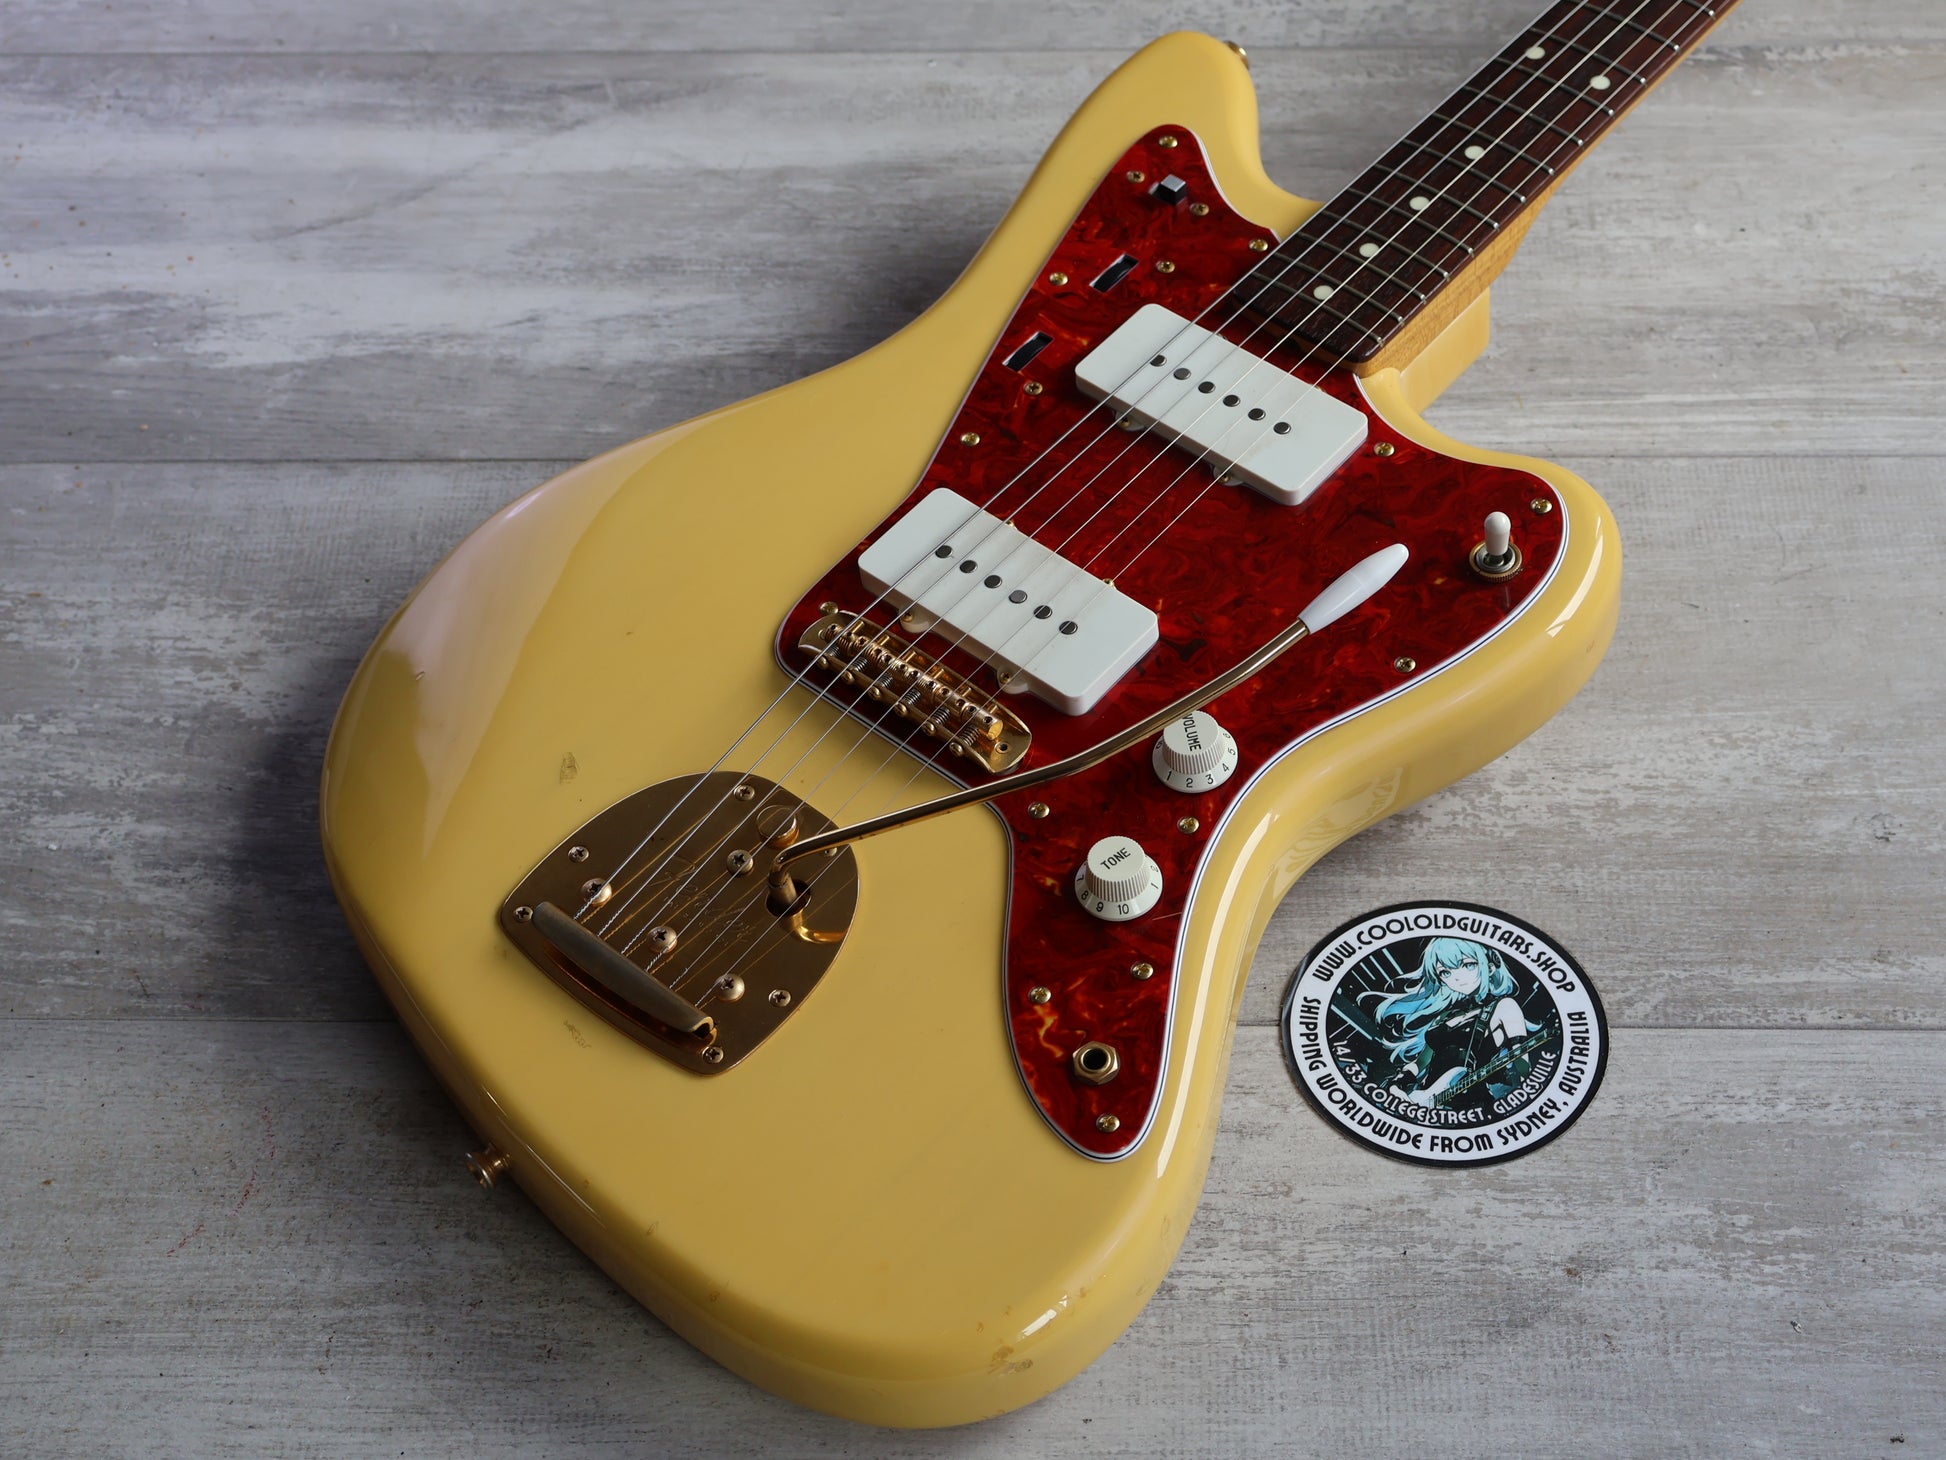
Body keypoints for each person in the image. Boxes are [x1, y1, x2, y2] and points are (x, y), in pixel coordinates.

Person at [1367, 937, 1539, 1111]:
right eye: (1445, 972)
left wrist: (1523, 1093)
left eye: (1468, 965)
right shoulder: (1445, 1017)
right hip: (1428, 1103)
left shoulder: (1504, 1006)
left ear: (1490, 967)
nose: (1457, 977)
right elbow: (1421, 1062)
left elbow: (1523, 1065)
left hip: (1472, 1108)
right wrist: (1397, 1084)